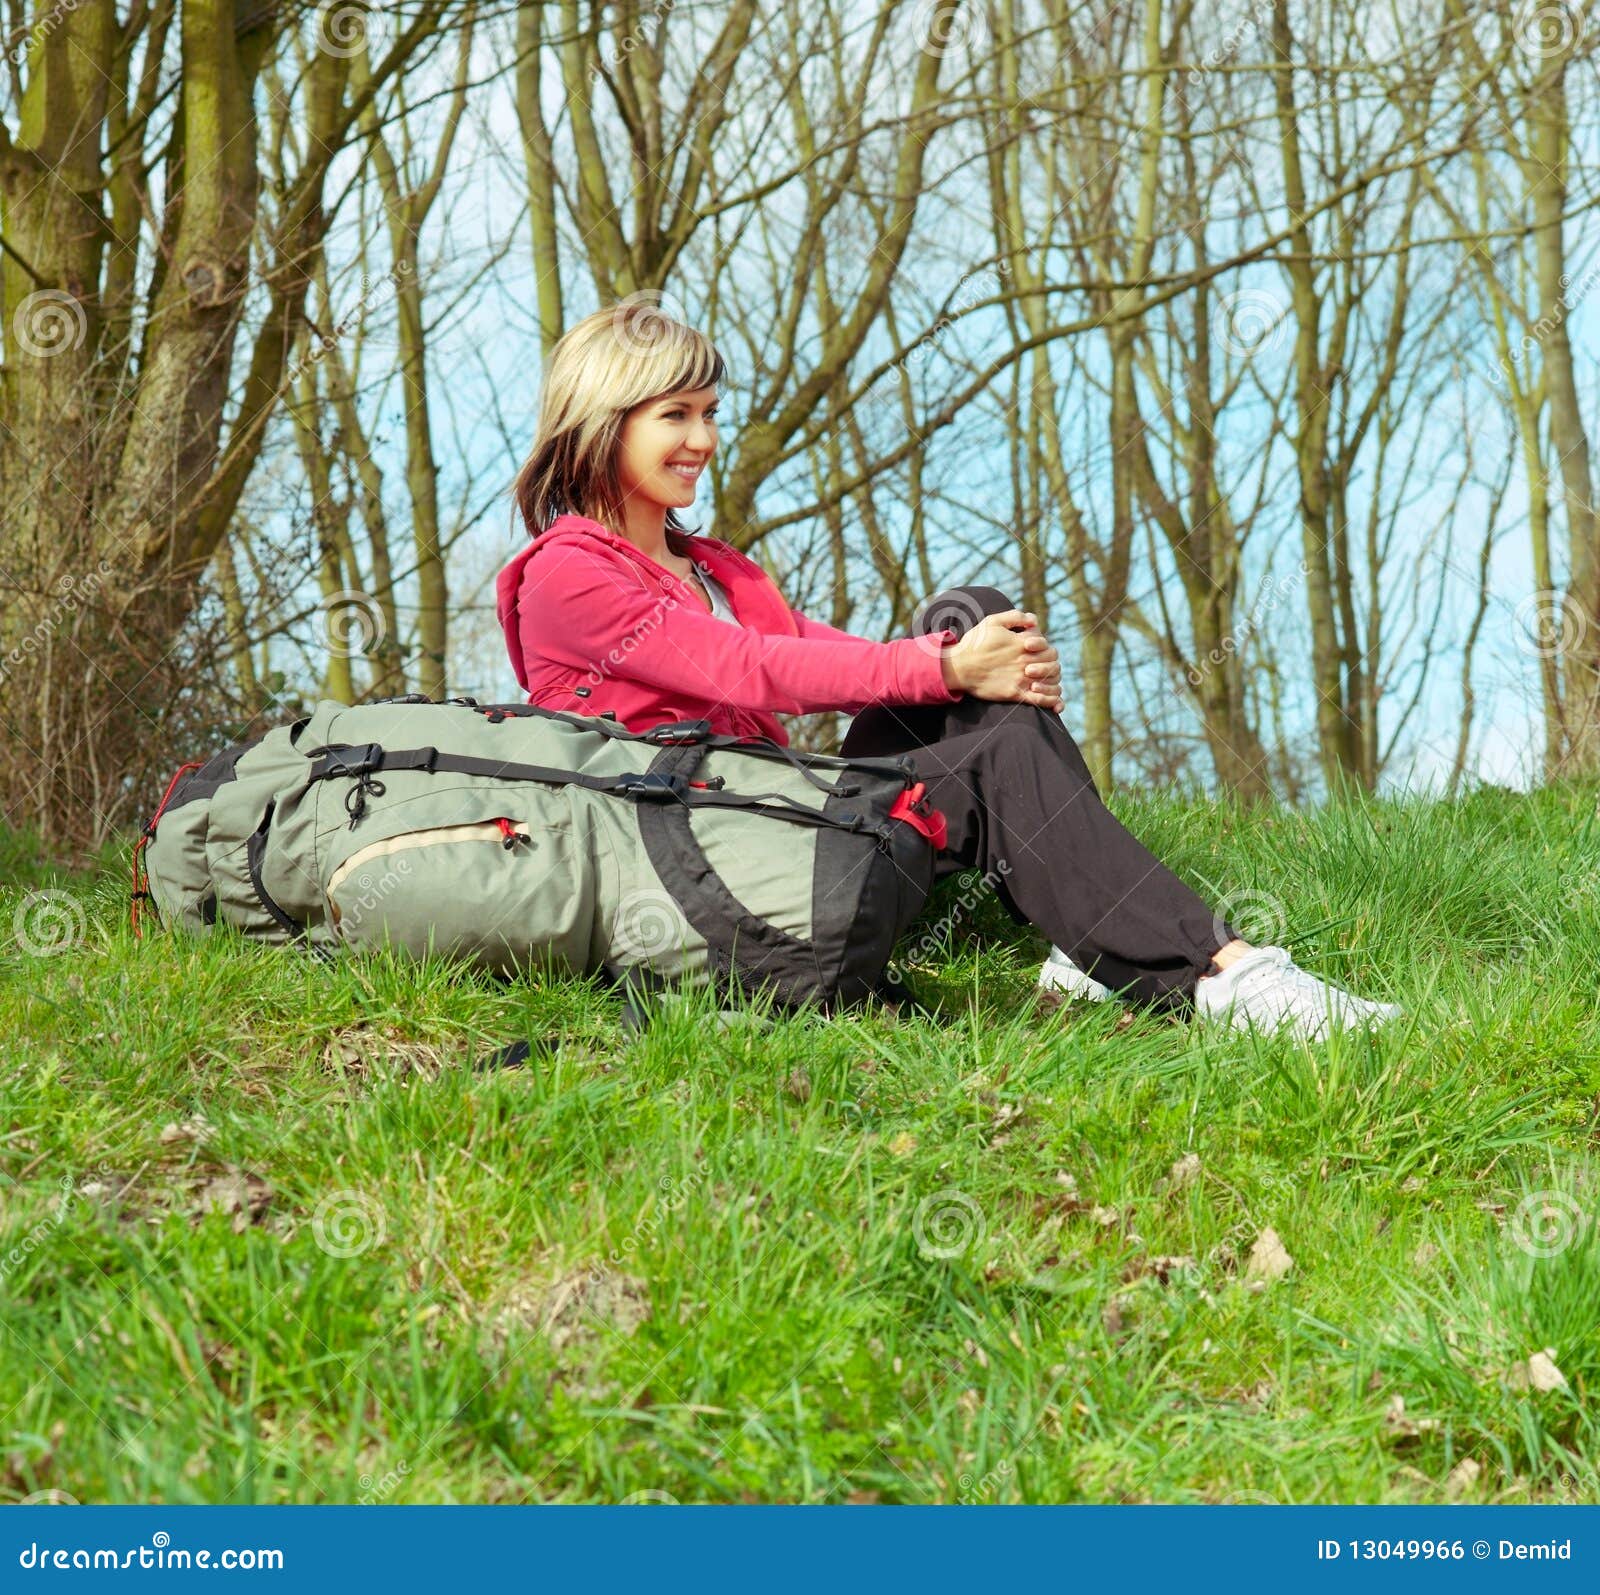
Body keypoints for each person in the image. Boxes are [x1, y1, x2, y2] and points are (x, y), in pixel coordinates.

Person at [496, 305, 1401, 1041]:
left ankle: (1099, 942)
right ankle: (1221, 974)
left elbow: (825, 650)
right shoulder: (568, 573)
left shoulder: (711, 567)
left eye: (710, 412)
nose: (703, 437)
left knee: (969, 615)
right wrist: (950, 669)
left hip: (778, 814)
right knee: (971, 694)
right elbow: (752, 669)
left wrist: (971, 661)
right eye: (675, 415)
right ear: (604, 422)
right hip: (706, 853)